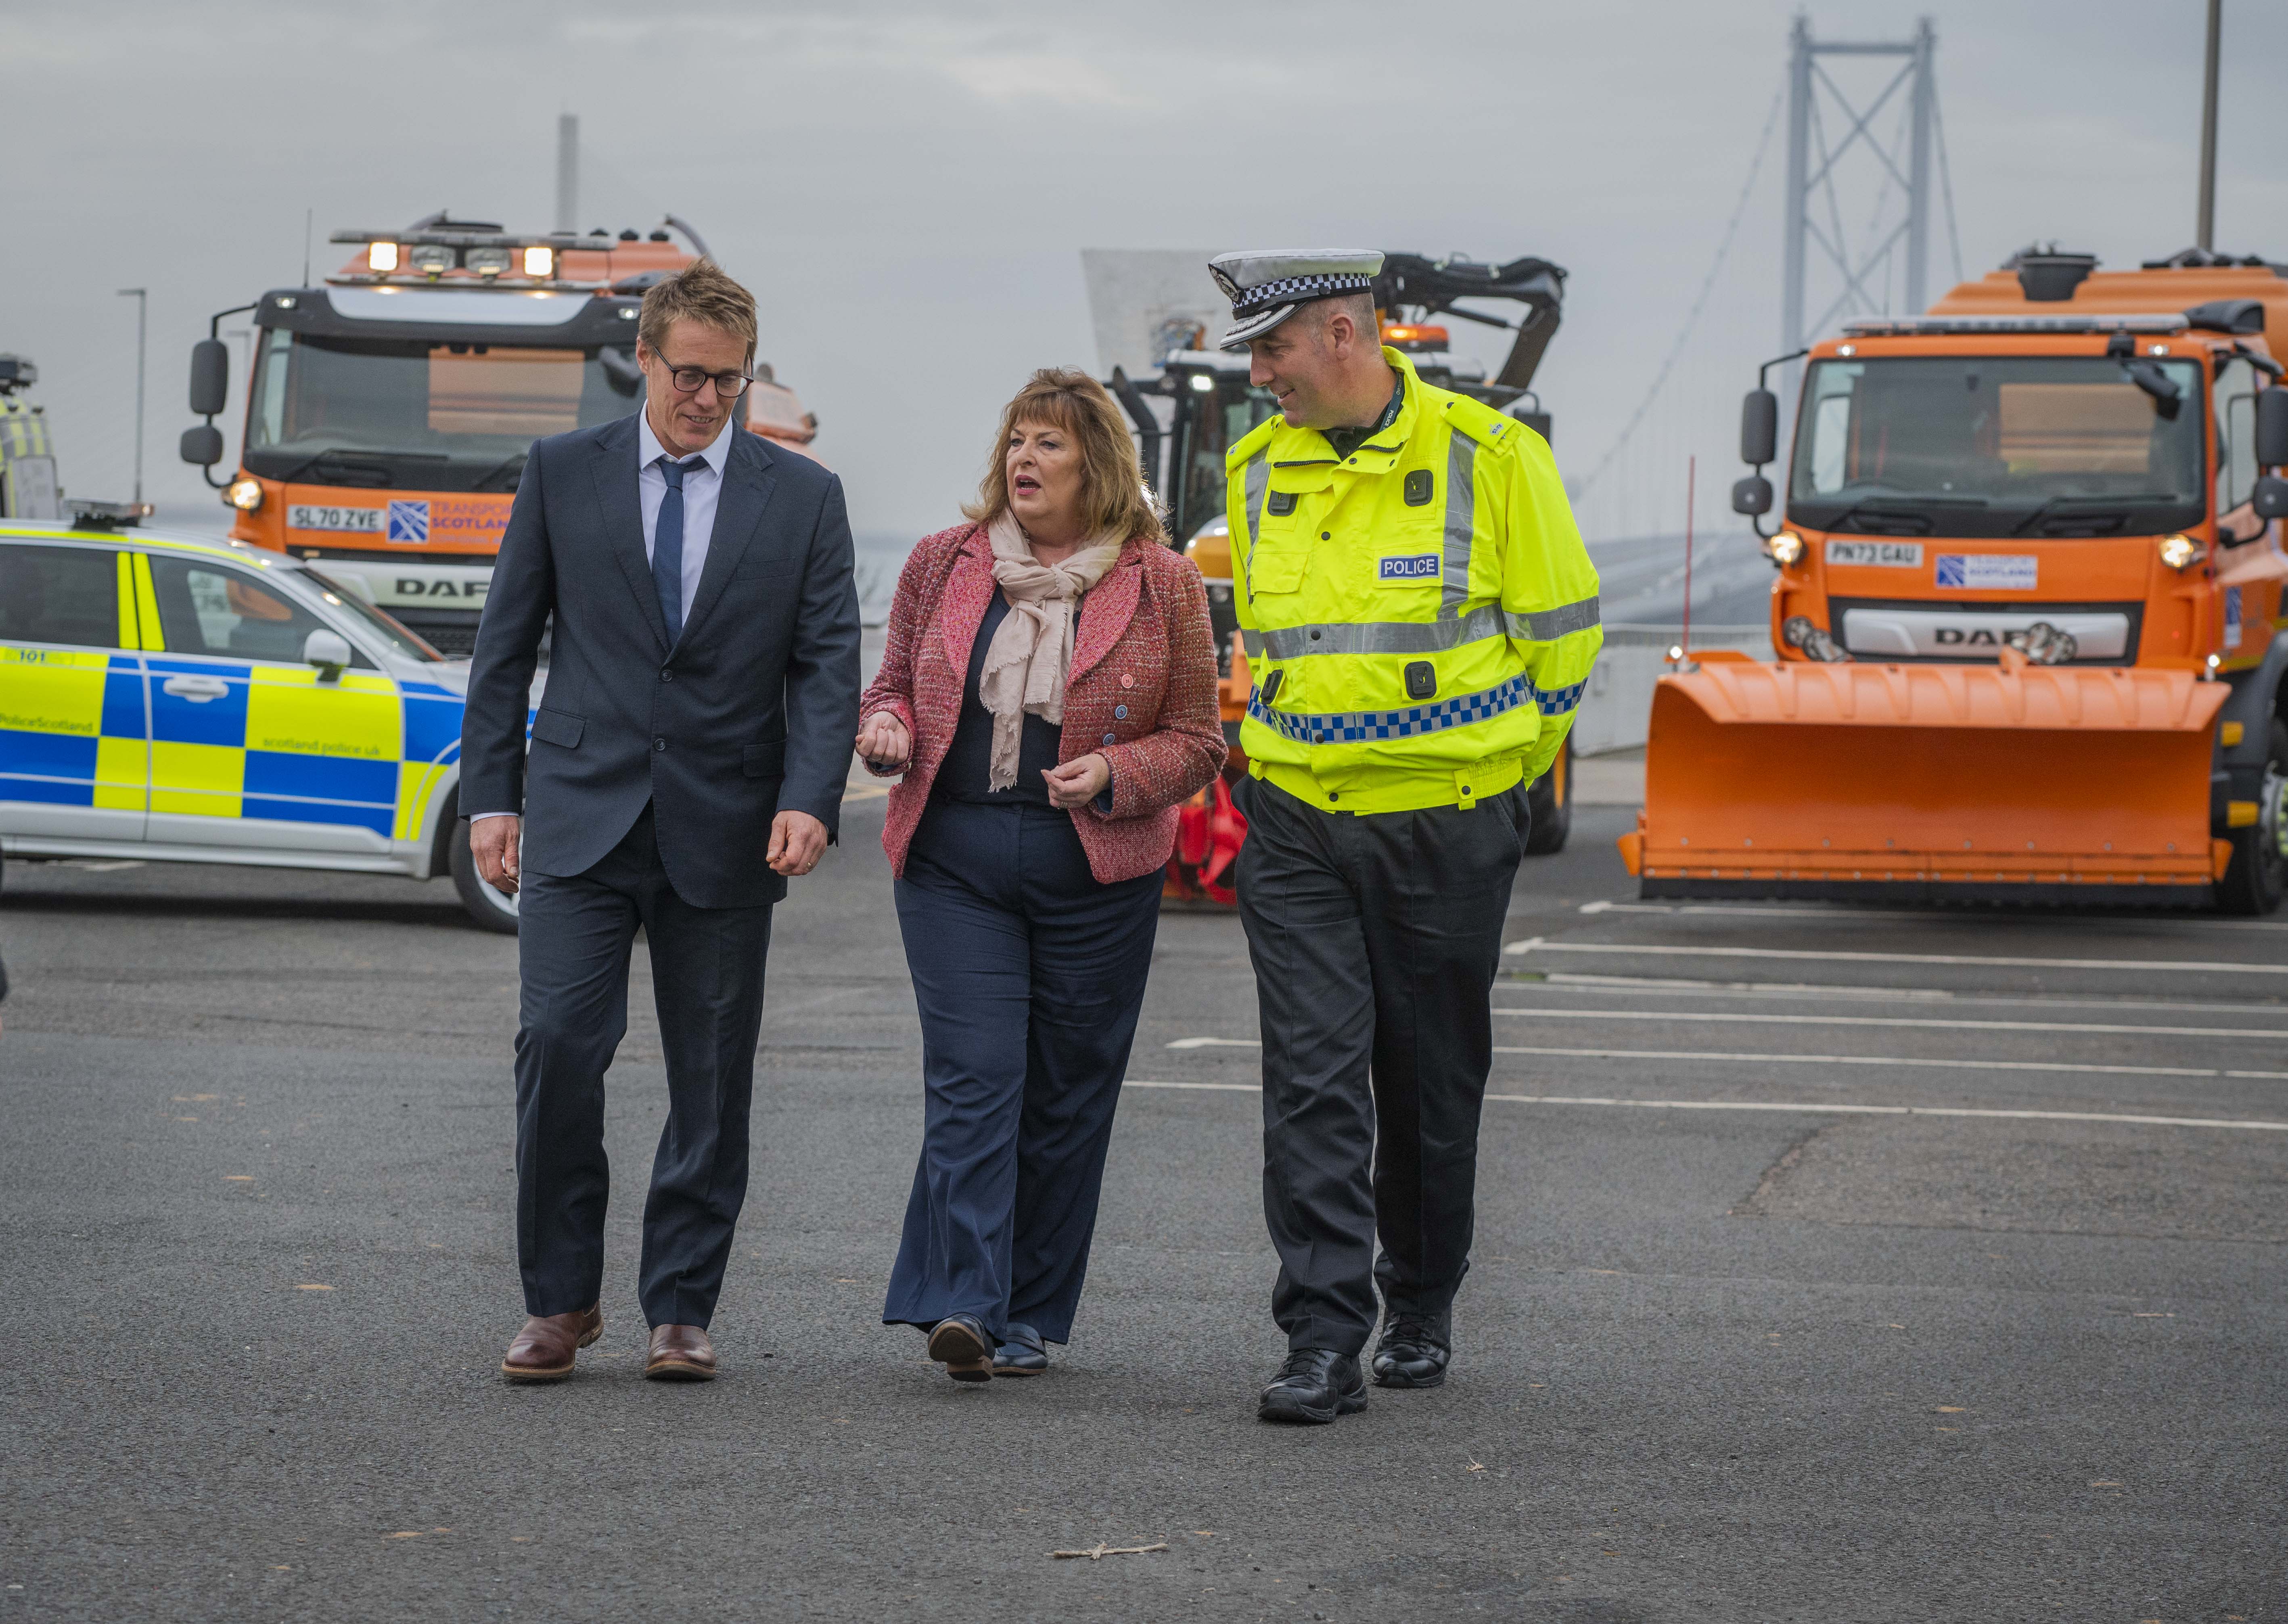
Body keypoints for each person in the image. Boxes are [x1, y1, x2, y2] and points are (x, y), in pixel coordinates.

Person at [1210, 250, 1602, 1424]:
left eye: (1272, 350)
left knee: (1427, 1083)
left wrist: (1496, 785)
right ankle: (1322, 1335)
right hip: (1292, 825)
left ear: (1341, 335)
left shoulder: (1491, 459)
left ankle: (1420, 1297)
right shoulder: (1249, 468)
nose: (1260, 374)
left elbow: (1562, 641)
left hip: (1445, 821)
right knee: (1310, 1082)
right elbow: (1269, 656)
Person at [461, 259, 862, 1384]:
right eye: (689, 375)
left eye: (728, 381)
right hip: (580, 817)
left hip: (729, 823)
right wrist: (494, 796)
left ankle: (680, 1306)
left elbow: (828, 666)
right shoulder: (561, 473)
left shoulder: (804, 498)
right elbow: (506, 649)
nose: (707, 399)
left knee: (711, 1075)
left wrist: (807, 796)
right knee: (556, 1048)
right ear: (643, 359)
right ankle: (557, 1302)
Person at [858, 368, 1224, 1382]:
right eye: (1018, 440)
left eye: (1050, 444)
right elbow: (889, 685)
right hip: (953, 861)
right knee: (978, 1078)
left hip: (1098, 872)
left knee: (1067, 1097)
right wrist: (885, 724)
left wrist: (1117, 770)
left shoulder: (1164, 582)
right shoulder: (944, 562)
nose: (1025, 458)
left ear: (1097, 465)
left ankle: (1026, 1314)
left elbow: (1200, 738)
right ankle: (968, 1302)